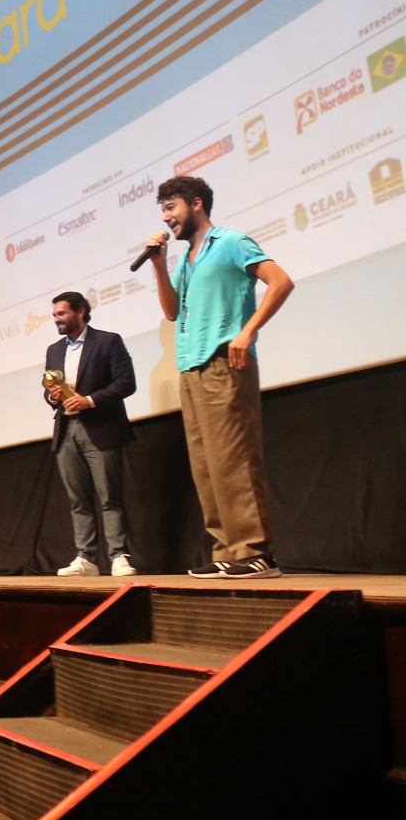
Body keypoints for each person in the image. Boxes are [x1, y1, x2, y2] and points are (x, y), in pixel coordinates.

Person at [141, 175, 295, 578]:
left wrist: (247, 331)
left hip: (225, 363)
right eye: (163, 211)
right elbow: (173, 312)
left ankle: (257, 553)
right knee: (207, 466)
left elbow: (281, 281)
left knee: (235, 459)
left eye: (171, 208)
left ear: (195, 204)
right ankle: (228, 548)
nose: (167, 218)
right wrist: (159, 265)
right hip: (190, 366)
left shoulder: (230, 242)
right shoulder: (188, 260)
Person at [43, 291, 138, 578]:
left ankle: (119, 556)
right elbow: (48, 391)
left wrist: (90, 400)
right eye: (55, 315)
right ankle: (86, 558)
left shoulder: (108, 341)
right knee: (78, 500)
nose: (56, 319)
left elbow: (126, 383)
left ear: (80, 311)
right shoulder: (54, 350)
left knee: (110, 497)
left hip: (101, 427)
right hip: (66, 430)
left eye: (61, 313)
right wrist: (53, 396)